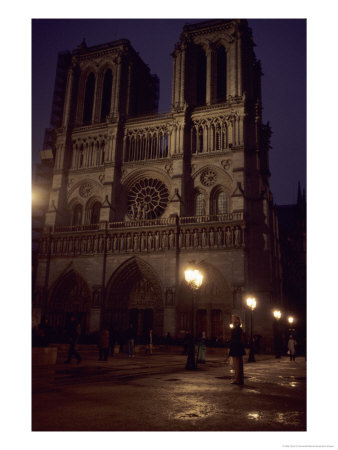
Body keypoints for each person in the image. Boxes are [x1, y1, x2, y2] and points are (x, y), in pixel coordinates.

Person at [228, 315, 245, 385]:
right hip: (237, 347)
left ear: (237, 320)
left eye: (233, 318)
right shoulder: (237, 328)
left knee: (237, 364)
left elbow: (236, 339)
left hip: (236, 347)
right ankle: (238, 379)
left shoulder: (237, 328)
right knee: (237, 364)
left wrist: (231, 343)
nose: (232, 320)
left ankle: (237, 379)